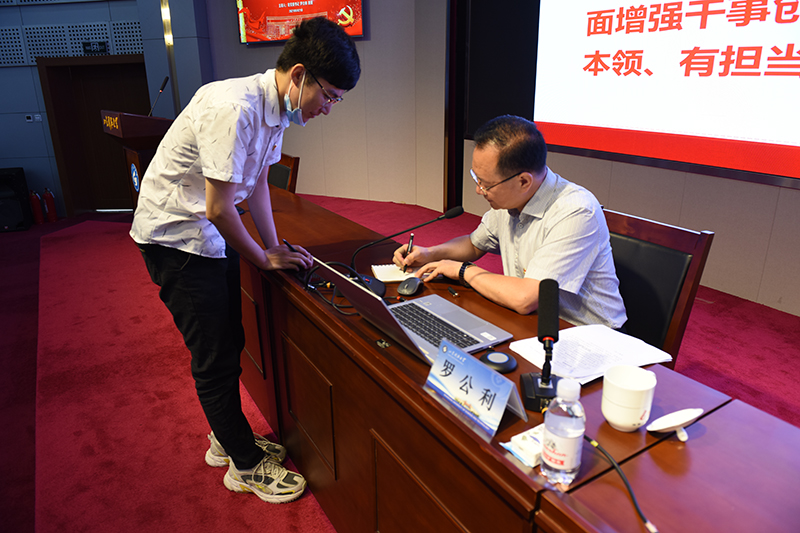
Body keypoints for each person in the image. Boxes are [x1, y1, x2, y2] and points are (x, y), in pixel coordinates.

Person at [130, 17, 360, 504]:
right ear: (299, 75)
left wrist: (274, 248)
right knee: (214, 356)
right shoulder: (234, 107)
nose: (328, 108)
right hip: (177, 238)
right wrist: (261, 259)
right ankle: (245, 465)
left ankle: (227, 437)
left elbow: (256, 187)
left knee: (230, 339)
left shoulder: (275, 111)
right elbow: (219, 208)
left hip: (208, 234)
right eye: (329, 96)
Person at [393, 115, 627, 329]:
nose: (478, 190)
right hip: (532, 322)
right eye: (477, 178)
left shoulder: (575, 210)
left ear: (524, 181)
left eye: (486, 184)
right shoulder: (510, 199)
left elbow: (525, 298)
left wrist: (463, 270)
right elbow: (474, 244)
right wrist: (430, 253)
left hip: (588, 335)